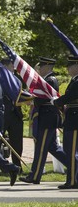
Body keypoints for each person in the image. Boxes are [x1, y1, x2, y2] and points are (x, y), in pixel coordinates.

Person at [19, 57, 68, 185]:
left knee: (41, 148)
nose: (39, 69)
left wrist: (28, 97)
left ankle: (35, 176)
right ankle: (75, 165)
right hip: (46, 118)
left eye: (41, 66)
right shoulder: (46, 80)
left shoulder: (50, 80)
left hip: (47, 118)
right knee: (53, 148)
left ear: (47, 67)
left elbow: (42, 99)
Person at [53, 55, 78, 189]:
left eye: (70, 66)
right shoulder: (74, 81)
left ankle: (73, 181)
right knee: (70, 151)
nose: (68, 69)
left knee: (71, 151)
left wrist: (56, 102)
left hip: (75, 120)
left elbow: (70, 96)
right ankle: (73, 179)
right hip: (72, 118)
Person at [0, 58, 24, 172]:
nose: (14, 67)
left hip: (15, 114)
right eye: (12, 65)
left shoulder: (17, 80)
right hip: (3, 114)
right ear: (5, 66)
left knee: (17, 142)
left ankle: (17, 166)